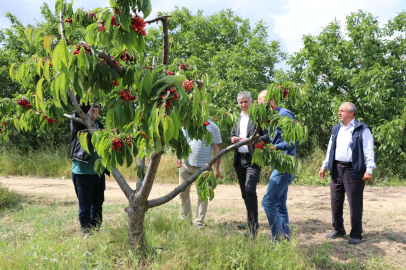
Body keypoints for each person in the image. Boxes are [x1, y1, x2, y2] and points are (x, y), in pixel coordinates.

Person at [318, 102, 375, 245]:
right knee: (335, 201)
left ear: (351, 113)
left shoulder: (362, 129)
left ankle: (356, 233)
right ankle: (338, 229)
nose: (339, 113)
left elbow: (368, 151)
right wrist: (324, 166)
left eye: (342, 111)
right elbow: (330, 149)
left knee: (354, 203)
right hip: (336, 168)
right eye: (339, 111)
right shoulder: (336, 129)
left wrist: (369, 170)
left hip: (354, 170)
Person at [258, 90, 297, 241]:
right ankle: (285, 240)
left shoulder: (284, 115)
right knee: (279, 204)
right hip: (279, 163)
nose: (261, 106)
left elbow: (296, 140)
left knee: (268, 202)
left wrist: (277, 147)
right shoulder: (271, 118)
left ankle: (278, 239)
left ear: (271, 101)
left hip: (285, 164)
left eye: (262, 102)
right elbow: (272, 138)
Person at [230, 91, 270, 237]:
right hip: (239, 159)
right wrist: (232, 138)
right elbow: (232, 133)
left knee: (249, 190)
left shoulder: (257, 117)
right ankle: (249, 221)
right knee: (244, 193)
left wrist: (254, 140)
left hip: (253, 160)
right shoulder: (237, 118)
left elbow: (267, 136)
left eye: (246, 101)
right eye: (241, 102)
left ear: (251, 102)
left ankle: (254, 227)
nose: (243, 105)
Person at [176, 119, 222, 229]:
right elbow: (182, 143)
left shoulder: (212, 127)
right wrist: (178, 158)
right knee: (182, 193)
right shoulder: (187, 125)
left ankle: (199, 222)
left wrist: (216, 168)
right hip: (185, 166)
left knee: (202, 195)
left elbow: (217, 148)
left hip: (203, 168)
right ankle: (185, 220)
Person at [70, 104, 107, 235]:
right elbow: (76, 113)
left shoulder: (98, 125)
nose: (94, 109)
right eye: (91, 106)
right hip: (83, 174)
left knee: (97, 204)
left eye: (96, 106)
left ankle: (96, 231)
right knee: (85, 207)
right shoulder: (79, 124)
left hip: (98, 173)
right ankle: (86, 233)